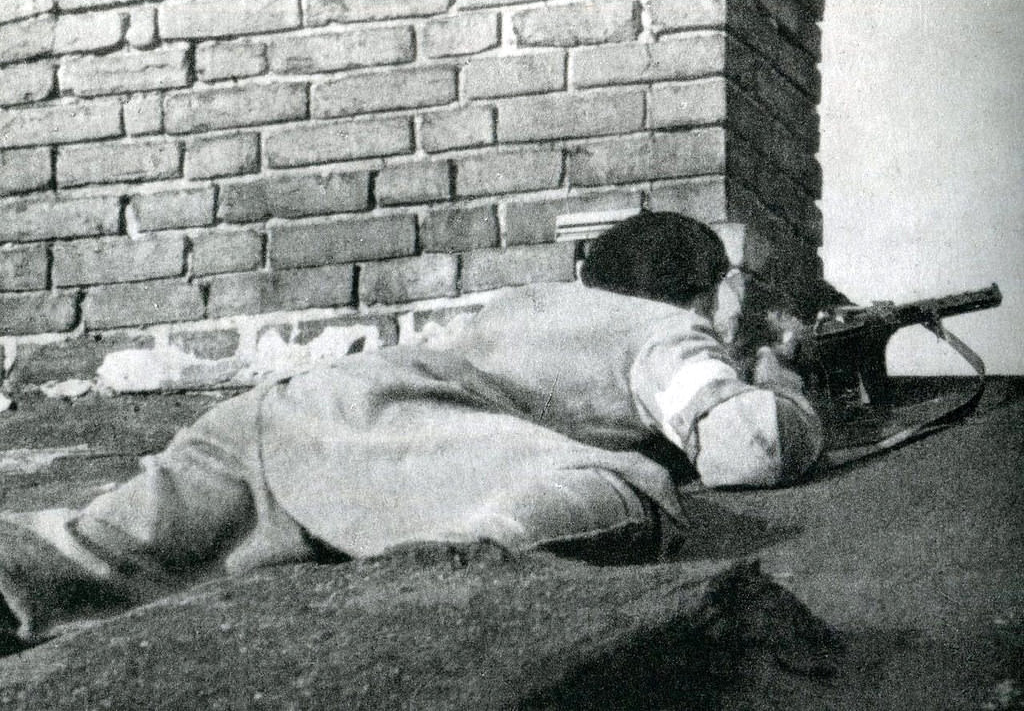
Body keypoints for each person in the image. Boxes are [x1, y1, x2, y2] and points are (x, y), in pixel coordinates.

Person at [0, 211, 822, 652]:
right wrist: (779, 387)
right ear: (705, 294)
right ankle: (435, 594)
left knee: (82, 555)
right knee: (628, 493)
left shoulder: (523, 308)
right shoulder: (656, 329)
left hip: (279, 416)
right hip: (389, 439)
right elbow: (746, 447)